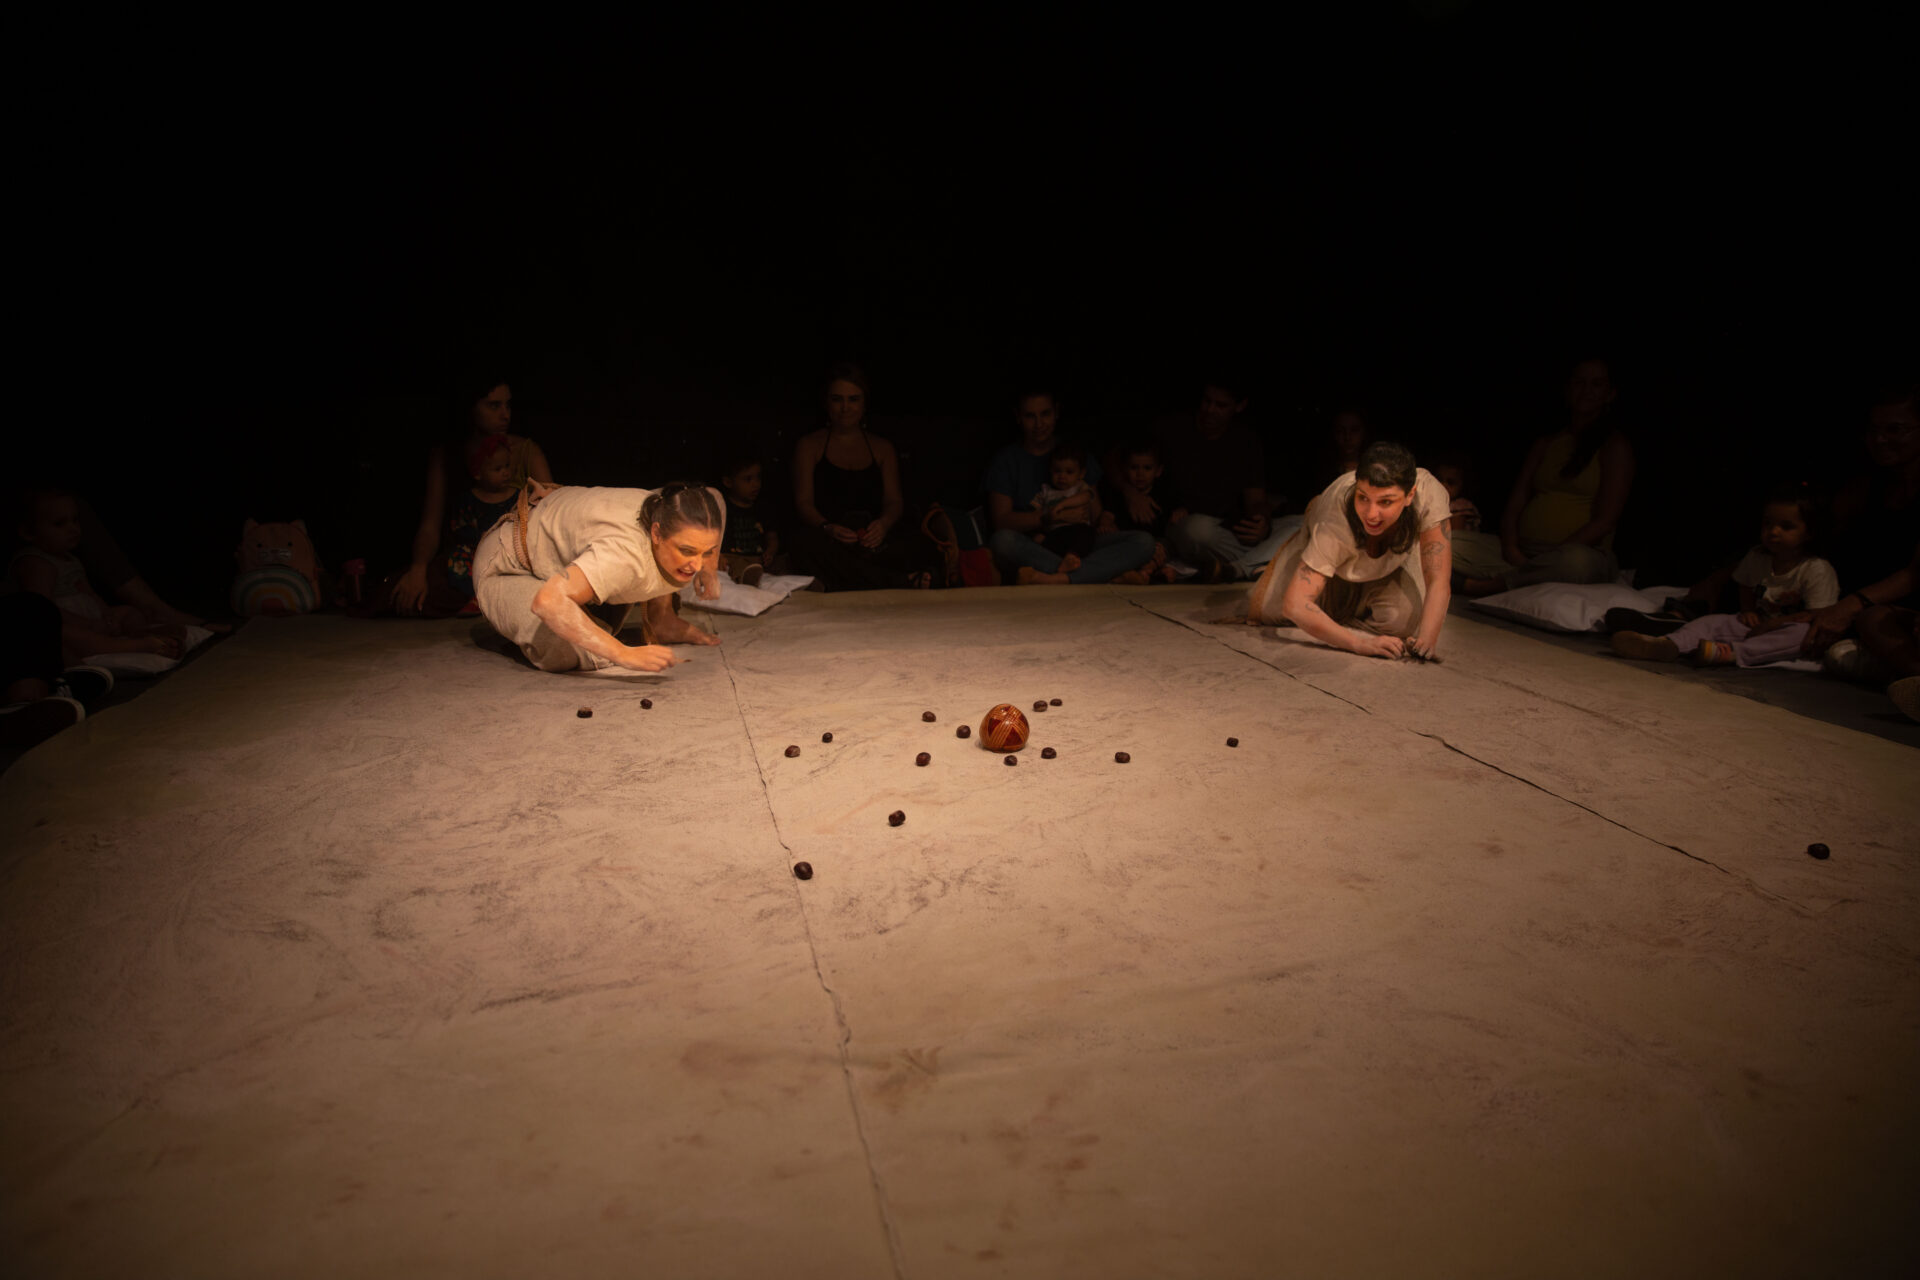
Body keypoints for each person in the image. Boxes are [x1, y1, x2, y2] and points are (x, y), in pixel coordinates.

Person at [472, 482, 724, 673]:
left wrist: (709, 571)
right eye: (687, 550)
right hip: (509, 568)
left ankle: (662, 618)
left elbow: (714, 497)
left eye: (707, 552)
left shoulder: (675, 506)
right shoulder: (623, 553)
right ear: (656, 533)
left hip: (565, 564)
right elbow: (548, 601)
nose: (697, 565)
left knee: (668, 564)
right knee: (567, 651)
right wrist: (623, 654)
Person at [1245, 441, 1453, 660]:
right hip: (1336, 556)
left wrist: (1426, 641)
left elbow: (1438, 579)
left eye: (1385, 502)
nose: (1371, 514)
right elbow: (1295, 604)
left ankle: (1346, 610)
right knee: (1273, 610)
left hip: (1385, 563)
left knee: (1402, 620)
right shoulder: (1336, 513)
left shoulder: (1429, 495)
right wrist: (1359, 643)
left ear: (1410, 495)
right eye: (1363, 498)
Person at [1455, 357, 1635, 596]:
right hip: (1525, 551)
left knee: (1575, 563)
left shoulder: (1614, 447)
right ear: (1568, 389)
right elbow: (1515, 504)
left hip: (1576, 553)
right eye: (1579, 382)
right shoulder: (1547, 443)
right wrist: (1511, 547)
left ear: (1610, 394)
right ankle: (1525, 576)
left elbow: (1605, 521)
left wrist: (1553, 555)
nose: (1586, 390)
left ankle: (1487, 586)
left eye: (1596, 384)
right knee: (1444, 543)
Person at [1611, 487, 1839, 667]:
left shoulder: (1816, 569)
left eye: (1786, 526)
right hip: (1759, 624)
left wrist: (1774, 624)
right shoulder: (1758, 556)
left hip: (1787, 629)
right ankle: (1668, 645)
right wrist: (1748, 610)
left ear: (1810, 532)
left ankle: (1731, 653)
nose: (1773, 531)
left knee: (1800, 636)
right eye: (1768, 523)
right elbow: (1745, 584)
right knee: (1712, 622)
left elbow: (1818, 615)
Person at [393, 377, 553, 615]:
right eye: (494, 406)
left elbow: (552, 513)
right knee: (407, 594)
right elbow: (430, 525)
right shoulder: (449, 455)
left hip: (515, 556)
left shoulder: (525, 451)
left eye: (508, 405)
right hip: (467, 561)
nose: (505, 415)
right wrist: (418, 569)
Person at [1116, 380, 1283, 582]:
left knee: (1300, 526)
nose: (1210, 410)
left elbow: (1255, 500)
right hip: (1185, 525)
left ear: (1239, 406)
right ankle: (1251, 564)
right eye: (1207, 401)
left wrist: (1261, 522)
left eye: (1220, 405)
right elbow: (1115, 459)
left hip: (1225, 531)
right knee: (1196, 531)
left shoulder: (1246, 440)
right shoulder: (1172, 429)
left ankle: (1234, 568)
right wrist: (1130, 493)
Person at [985, 389, 1154, 585]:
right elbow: (1001, 521)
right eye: (1030, 416)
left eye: (1045, 414)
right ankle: (1096, 575)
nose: (1039, 424)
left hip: (1082, 542)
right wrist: (1048, 517)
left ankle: (1057, 578)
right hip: (1041, 544)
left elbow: (1095, 514)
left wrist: (1106, 521)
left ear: (1056, 412)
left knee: (1144, 542)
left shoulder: (1075, 453)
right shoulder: (1006, 461)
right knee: (1002, 541)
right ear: (1018, 417)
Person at [790, 364, 930, 590]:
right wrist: (828, 527)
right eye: (837, 399)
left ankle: (864, 577)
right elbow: (803, 503)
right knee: (805, 545)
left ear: (864, 403)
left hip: (872, 539)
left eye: (853, 399)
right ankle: (899, 581)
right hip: (832, 538)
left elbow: (894, 501)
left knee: (917, 542)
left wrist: (883, 525)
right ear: (826, 402)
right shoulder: (809, 446)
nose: (845, 408)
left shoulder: (882, 448)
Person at [9, 488, 183, 663]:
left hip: (90, 618)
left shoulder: (69, 558)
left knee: (128, 613)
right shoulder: (35, 562)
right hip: (67, 622)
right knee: (69, 635)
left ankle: (140, 633)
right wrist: (88, 625)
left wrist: (107, 615)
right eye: (59, 524)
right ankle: (134, 646)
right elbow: (42, 610)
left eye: (75, 520)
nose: (73, 529)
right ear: (28, 532)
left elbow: (89, 593)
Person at [1099, 442, 1178, 583]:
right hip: (1132, 543)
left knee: (1165, 546)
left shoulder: (1163, 494)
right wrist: (1106, 525)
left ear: (1158, 471)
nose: (1140, 474)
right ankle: (1137, 574)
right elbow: (1107, 515)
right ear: (1125, 469)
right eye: (1134, 468)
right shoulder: (1120, 495)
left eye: (1147, 468)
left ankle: (1145, 572)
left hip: (1156, 542)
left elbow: (1173, 520)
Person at [717, 455, 781, 587]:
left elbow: (772, 537)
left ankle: (800, 584)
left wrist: (770, 551)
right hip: (733, 558)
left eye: (758, 478)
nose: (756, 484)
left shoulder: (762, 507)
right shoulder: (722, 507)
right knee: (734, 565)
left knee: (781, 565)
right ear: (728, 482)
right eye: (748, 479)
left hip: (758, 559)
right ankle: (747, 578)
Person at [1029, 444, 1099, 562]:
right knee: (1040, 540)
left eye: (1069, 472)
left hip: (1077, 529)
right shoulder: (1045, 491)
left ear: (1081, 474)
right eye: (1057, 471)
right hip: (1055, 532)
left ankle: (1072, 557)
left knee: (1088, 533)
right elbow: (1035, 511)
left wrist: (1061, 505)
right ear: (1050, 470)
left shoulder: (1079, 487)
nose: (1062, 476)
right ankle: (1065, 560)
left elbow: (1086, 497)